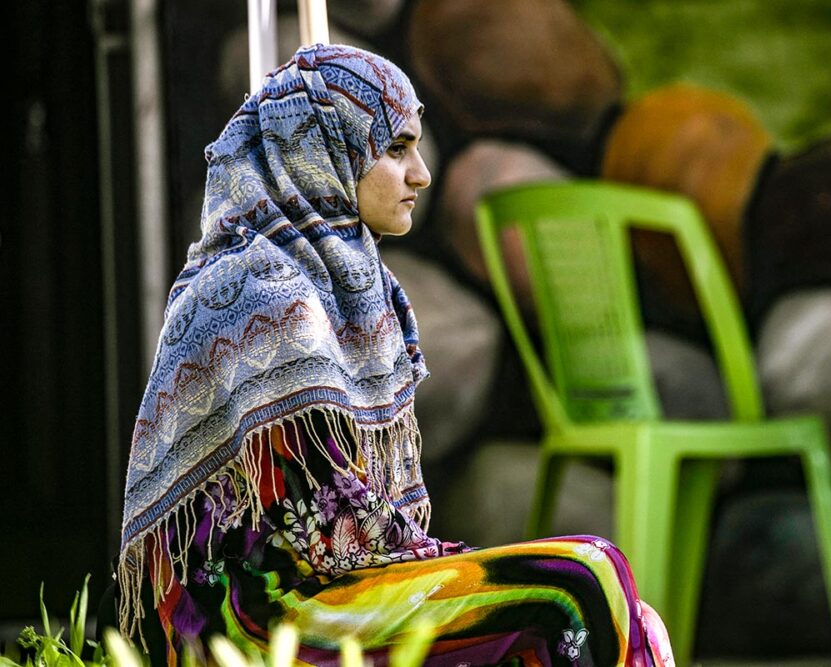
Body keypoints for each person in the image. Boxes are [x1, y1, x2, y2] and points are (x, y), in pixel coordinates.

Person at [117, 43, 673, 666]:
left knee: (629, 612)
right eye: (396, 148)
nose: (422, 175)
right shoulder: (260, 286)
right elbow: (316, 526)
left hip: (335, 578)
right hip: (264, 612)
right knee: (581, 581)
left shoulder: (350, 283)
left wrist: (427, 559)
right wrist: (436, 560)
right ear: (327, 151)